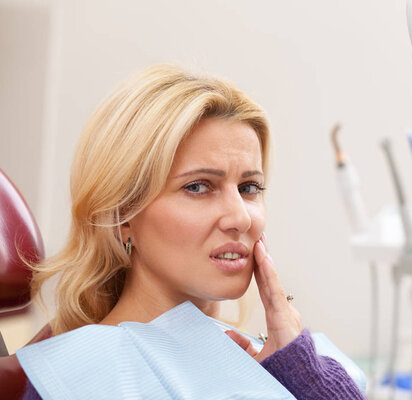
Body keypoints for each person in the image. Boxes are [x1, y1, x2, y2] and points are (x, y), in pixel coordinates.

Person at [20, 64, 365, 399]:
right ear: (122, 214)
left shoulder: (281, 361)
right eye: (198, 187)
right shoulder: (77, 379)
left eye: (249, 187)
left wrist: (302, 371)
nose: (240, 218)